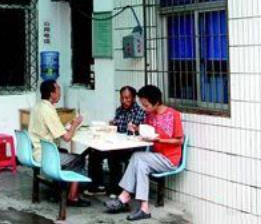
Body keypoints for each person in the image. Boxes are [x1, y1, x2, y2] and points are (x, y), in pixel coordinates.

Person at [105, 85, 184, 221]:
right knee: (140, 162)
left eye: (146, 105)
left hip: (169, 159)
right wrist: (136, 129)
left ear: (156, 102)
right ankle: (143, 208)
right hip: (154, 157)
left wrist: (159, 140)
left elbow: (179, 140)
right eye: (143, 105)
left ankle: (124, 197)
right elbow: (146, 132)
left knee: (138, 158)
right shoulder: (150, 115)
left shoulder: (173, 115)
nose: (145, 109)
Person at [29, 79, 91, 207]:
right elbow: (67, 138)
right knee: (79, 159)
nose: (60, 93)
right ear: (52, 93)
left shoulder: (38, 106)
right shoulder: (48, 110)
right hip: (45, 155)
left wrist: (68, 126)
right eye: (58, 90)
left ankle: (57, 189)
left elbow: (52, 128)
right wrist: (75, 124)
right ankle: (72, 196)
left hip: (37, 150)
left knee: (65, 152)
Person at [87, 85, 146, 195]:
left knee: (113, 155)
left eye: (127, 98)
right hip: (118, 144)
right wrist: (112, 125)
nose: (124, 101)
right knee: (94, 151)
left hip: (132, 147)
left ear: (133, 98)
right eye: (122, 98)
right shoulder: (119, 110)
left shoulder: (140, 112)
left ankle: (115, 189)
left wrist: (135, 129)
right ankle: (97, 185)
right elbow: (118, 129)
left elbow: (139, 132)